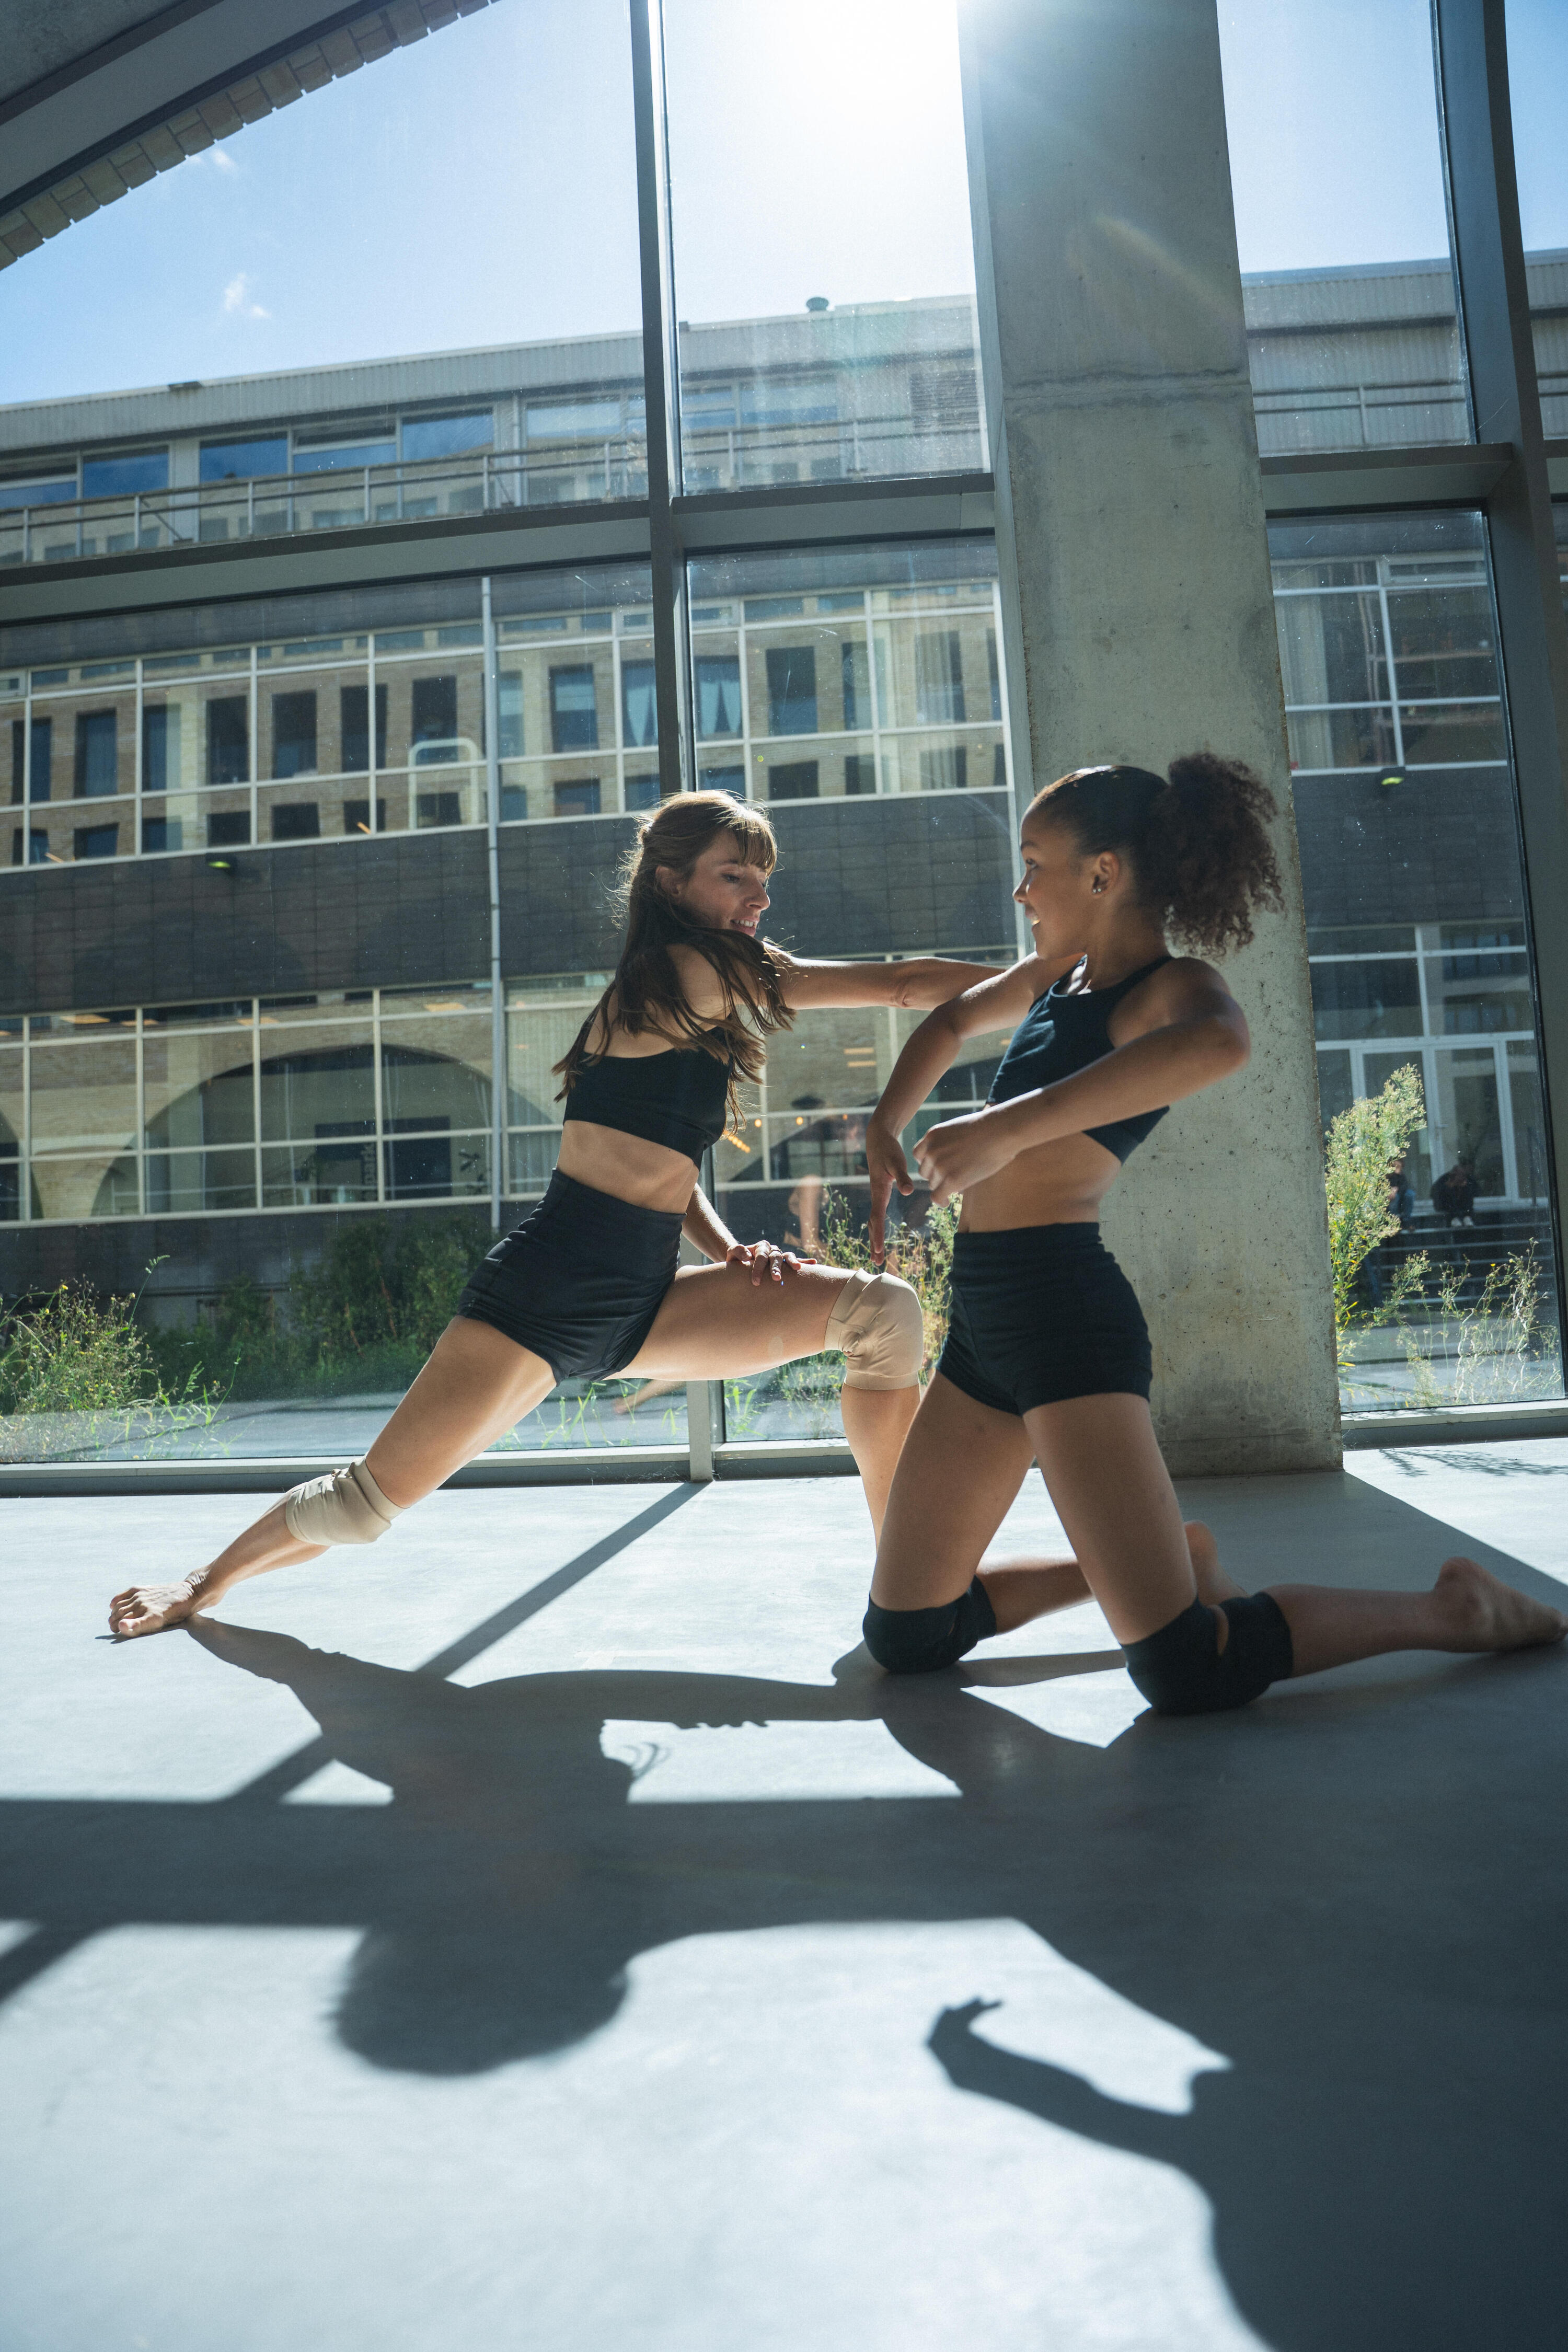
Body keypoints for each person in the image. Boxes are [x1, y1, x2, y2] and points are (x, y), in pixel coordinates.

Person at [110, 792, 1001, 1639]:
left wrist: (727, 1251)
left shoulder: (696, 1004)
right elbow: (908, 984)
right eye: (736, 873)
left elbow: (659, 1165)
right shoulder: (684, 972)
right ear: (671, 883)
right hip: (543, 1296)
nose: (760, 895)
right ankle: (201, 1584)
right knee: (367, 1505)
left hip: (644, 1300)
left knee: (883, 1316)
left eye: (764, 877)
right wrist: (1058, 980)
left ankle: (913, 1584)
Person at [858, 758, 1564, 1711]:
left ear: (1103, 874)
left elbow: (1222, 1042)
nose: (1021, 889)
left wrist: (1008, 1125)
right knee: (906, 1637)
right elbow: (947, 1021)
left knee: (1189, 1667)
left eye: (1034, 865)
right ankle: (1153, 1561)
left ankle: (1455, 1612)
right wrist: (882, 1126)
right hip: (985, 1320)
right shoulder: (1056, 977)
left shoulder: (1164, 987)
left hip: (1065, 1319)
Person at [1432, 1155, 1478, 1228]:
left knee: (1468, 1193)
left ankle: (1467, 1217)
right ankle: (1454, 1219)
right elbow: (1437, 1195)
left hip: (1461, 1206)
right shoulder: (1444, 1180)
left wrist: (1464, 1187)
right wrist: (1450, 1186)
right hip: (1445, 1207)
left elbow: (1476, 1192)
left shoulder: (1468, 1180)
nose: (1461, 1178)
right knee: (1449, 1194)